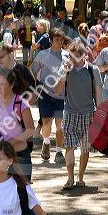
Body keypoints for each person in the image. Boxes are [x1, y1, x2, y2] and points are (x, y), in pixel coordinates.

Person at [53, 41, 103, 190]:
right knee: (69, 146)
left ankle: (81, 177)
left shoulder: (93, 70)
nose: (71, 60)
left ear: (83, 56)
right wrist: (64, 73)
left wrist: (99, 116)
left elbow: (98, 94)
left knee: (85, 149)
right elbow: (56, 91)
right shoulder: (64, 69)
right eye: (70, 56)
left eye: (75, 57)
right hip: (69, 113)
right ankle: (70, 178)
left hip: (88, 114)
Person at [0, 69, 35, 179]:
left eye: (2, 84)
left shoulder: (20, 103)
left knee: (22, 193)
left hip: (19, 155)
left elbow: (30, 129)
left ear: (11, 84)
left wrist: (10, 144)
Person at [31, 28, 68, 163]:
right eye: (57, 39)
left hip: (61, 96)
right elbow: (33, 71)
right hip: (45, 95)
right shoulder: (43, 55)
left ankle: (59, 152)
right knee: (46, 124)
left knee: (60, 125)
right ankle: (46, 142)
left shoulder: (67, 56)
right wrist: (34, 89)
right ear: (51, 41)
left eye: (61, 39)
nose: (59, 41)